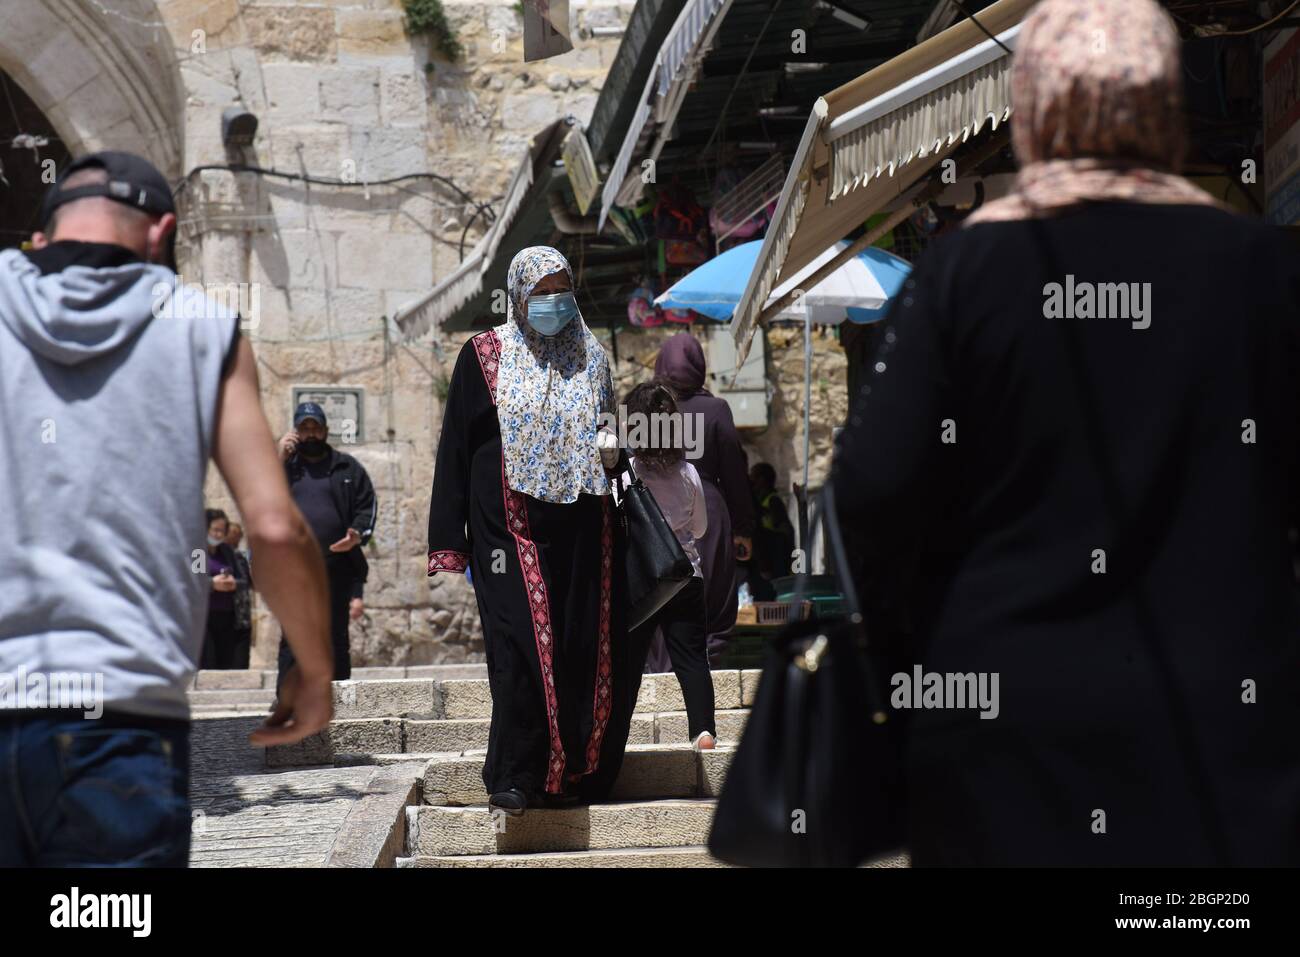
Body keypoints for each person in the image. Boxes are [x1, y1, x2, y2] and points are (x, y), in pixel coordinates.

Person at [831, 0, 1300, 867]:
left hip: (1008, 730)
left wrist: (910, 644)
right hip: (1218, 728)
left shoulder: (962, 276)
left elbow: (870, 489)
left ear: (1036, 109)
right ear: (1164, 107)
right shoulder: (1262, 269)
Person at [0, 151, 333, 867]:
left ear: (44, 233)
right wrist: (312, 664)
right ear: (163, 234)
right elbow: (274, 526)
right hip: (120, 727)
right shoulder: (199, 326)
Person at [427, 245, 626, 815]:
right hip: (508, 531)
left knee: (574, 646)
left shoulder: (591, 354)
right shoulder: (483, 355)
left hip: (584, 526)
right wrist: (449, 541)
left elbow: (606, 422)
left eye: (562, 289)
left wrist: (613, 446)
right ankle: (514, 776)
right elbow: (456, 451)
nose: (553, 301)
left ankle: (565, 775)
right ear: (518, 295)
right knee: (518, 647)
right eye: (541, 291)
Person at [620, 382, 716, 751]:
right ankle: (703, 731)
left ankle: (617, 735)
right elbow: (701, 528)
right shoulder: (689, 473)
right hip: (685, 576)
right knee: (691, 657)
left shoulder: (628, 473)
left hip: (641, 581)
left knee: (629, 664)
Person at [650, 332, 755, 667]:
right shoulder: (716, 409)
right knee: (711, 592)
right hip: (707, 511)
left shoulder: (646, 408)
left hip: (657, 512)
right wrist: (743, 528)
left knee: (663, 593)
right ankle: (706, 662)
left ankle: (666, 668)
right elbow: (735, 473)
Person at [276, 402, 376, 686]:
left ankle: (339, 701)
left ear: (325, 431)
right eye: (303, 428)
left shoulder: (346, 467)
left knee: (335, 636)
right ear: (294, 432)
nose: (310, 434)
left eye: (315, 428)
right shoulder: (284, 468)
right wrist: (279, 457)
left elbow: (367, 505)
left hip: (336, 564)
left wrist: (357, 533)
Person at [200, 509, 247, 670]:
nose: (219, 535)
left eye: (222, 531)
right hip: (205, 619)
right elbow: (196, 582)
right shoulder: (198, 551)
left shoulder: (226, 551)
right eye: (215, 530)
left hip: (228, 617)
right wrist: (213, 583)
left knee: (226, 664)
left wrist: (232, 582)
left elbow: (243, 580)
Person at [748, 462, 795, 601]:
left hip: (775, 558)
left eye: (753, 476)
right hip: (765, 555)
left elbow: (784, 529)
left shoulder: (773, 501)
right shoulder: (759, 500)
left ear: (762, 479)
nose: (751, 479)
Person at [224, 521, 254, 669]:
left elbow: (249, 582)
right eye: (233, 534)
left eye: (238, 534)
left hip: (242, 612)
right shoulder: (205, 554)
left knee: (240, 659)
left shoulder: (241, 557)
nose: (236, 537)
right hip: (224, 612)